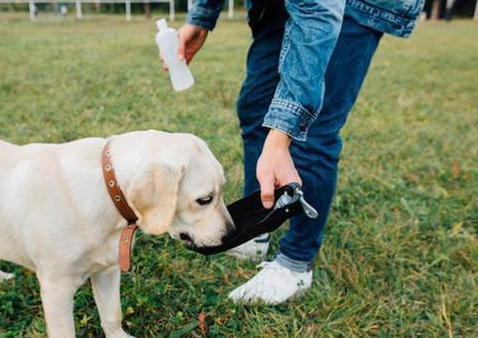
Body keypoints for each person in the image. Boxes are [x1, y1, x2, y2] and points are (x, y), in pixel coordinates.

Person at [176, 0, 424, 304]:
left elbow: (318, 12)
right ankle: (257, 228)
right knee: (256, 108)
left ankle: (295, 264)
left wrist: (282, 137)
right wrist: (201, 17)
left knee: (312, 128)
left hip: (352, 7)